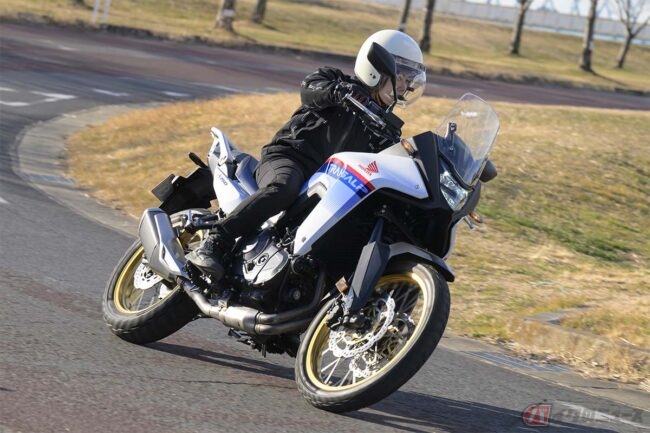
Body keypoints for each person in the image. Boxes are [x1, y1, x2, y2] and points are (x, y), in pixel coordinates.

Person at [187, 29, 427, 279]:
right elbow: (309, 90)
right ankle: (215, 242)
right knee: (283, 187)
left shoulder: (385, 128)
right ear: (376, 69)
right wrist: (339, 92)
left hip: (331, 183)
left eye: (409, 80)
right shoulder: (334, 79)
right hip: (290, 157)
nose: (405, 86)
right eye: (401, 77)